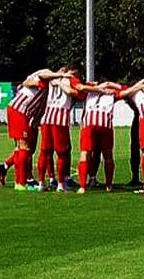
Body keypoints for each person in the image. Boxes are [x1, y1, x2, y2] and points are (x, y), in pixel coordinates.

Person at [38, 63, 110, 192]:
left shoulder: (52, 78)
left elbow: (40, 76)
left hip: (47, 117)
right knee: (62, 153)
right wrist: (99, 89)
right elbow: (78, 89)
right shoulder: (71, 79)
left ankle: (42, 183)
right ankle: (60, 184)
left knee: (45, 151)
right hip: (60, 118)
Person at [0, 69, 66, 190]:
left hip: (22, 112)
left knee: (25, 148)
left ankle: (8, 169)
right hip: (20, 111)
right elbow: (36, 79)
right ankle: (22, 182)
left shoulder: (48, 86)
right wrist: (61, 75)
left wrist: (36, 121)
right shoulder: (46, 75)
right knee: (25, 148)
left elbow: (31, 90)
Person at [76, 81, 123, 194]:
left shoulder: (88, 91)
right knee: (107, 155)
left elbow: (79, 88)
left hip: (89, 125)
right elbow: (125, 90)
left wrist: (96, 86)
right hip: (105, 124)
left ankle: (82, 186)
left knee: (85, 154)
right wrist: (110, 85)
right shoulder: (112, 93)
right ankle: (108, 185)